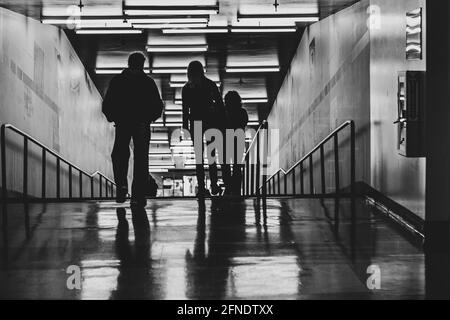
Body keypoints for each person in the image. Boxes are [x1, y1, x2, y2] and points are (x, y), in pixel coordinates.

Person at [102, 52, 163, 208]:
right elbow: (158, 106)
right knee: (141, 159)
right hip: (142, 124)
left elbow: (107, 104)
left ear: (129, 63)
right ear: (142, 65)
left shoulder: (118, 81)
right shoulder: (148, 83)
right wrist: (149, 119)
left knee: (120, 154)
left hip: (123, 123)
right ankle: (138, 195)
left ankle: (121, 185)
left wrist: (113, 117)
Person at [182, 61, 225, 198]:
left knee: (199, 158)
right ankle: (213, 185)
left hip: (196, 123)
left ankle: (202, 187)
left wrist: (185, 126)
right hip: (211, 121)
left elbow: (185, 109)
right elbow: (219, 105)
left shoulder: (187, 88)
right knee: (211, 156)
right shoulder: (210, 85)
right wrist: (221, 123)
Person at [223, 91, 248, 195]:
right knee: (237, 165)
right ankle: (236, 187)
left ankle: (228, 186)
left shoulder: (224, 112)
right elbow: (244, 122)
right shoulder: (242, 112)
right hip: (238, 139)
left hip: (225, 140)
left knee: (225, 164)